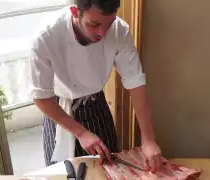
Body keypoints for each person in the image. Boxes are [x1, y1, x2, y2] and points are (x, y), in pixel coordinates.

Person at [28, 0, 163, 172]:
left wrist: (148, 139)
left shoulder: (119, 31)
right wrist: (81, 133)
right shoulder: (46, 36)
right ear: (75, 12)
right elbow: (41, 97)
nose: (103, 33)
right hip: (59, 110)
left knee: (109, 171)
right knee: (62, 173)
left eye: (109, 23)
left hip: (96, 106)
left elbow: (135, 82)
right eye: (94, 24)